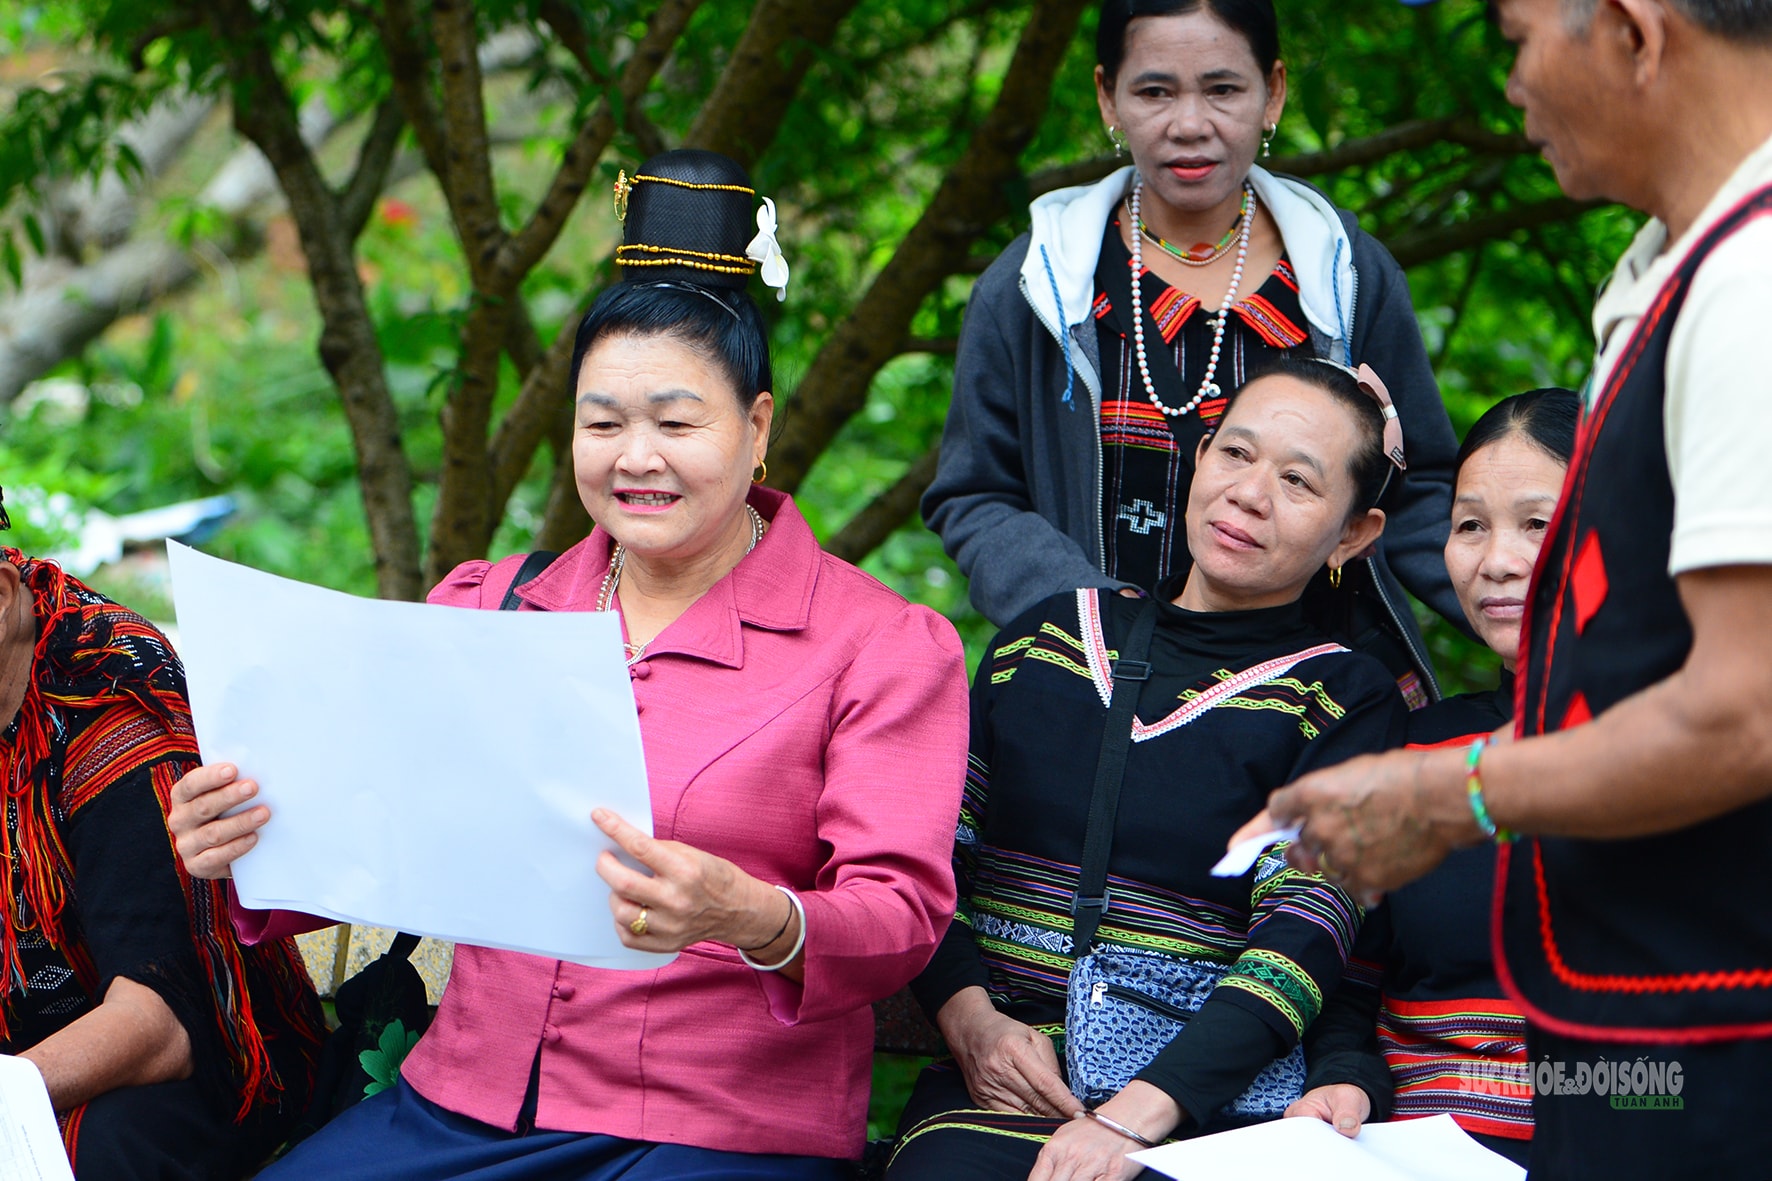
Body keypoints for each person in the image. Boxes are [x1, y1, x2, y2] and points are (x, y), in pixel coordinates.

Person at [167, 150, 970, 1179]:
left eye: (676, 422)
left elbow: (899, 915)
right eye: (602, 423)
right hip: (462, 1105)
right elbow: (382, 822)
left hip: (717, 1124)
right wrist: (248, 833)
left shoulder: (877, 645)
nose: (635, 456)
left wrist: (750, 911)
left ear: (756, 427)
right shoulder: (490, 605)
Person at [1236, 1, 1772, 1175]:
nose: (1512, 83)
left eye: (1517, 37)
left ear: (1633, 32)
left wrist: (1445, 795)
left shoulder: (1750, 290)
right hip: (1632, 1020)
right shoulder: (1679, 278)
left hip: (1719, 1032)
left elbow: (1747, 709)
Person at [887, 357, 1411, 1181]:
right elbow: (923, 864)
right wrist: (969, 1018)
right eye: (1235, 454)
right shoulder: (1045, 640)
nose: (1249, 493)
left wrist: (1137, 1115)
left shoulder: (1345, 699)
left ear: (1354, 534)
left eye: (1299, 481)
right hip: (1003, 1092)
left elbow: (1303, 936)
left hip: (1208, 1114)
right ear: (1200, 458)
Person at [922, 0, 1463, 706]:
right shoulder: (1036, 286)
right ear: (1106, 97)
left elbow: (1422, 490)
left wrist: (1543, 615)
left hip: (1321, 693)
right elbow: (975, 494)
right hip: (1103, 689)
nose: (1189, 124)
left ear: (1273, 92)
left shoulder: (1346, 275)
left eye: (1223, 89)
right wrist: (1091, 613)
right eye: (1154, 91)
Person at [1286, 389, 1578, 1168]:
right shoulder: (1416, 753)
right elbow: (1353, 980)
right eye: (1470, 525)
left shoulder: (1708, 755)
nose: (1497, 561)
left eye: (1539, 524)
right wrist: (1345, 1077)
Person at [0, 513, 324, 1180]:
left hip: (196, 1054)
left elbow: (161, 1019)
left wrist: (11, 1094)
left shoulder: (108, 690)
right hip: (23, 1050)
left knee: (88, 1153)